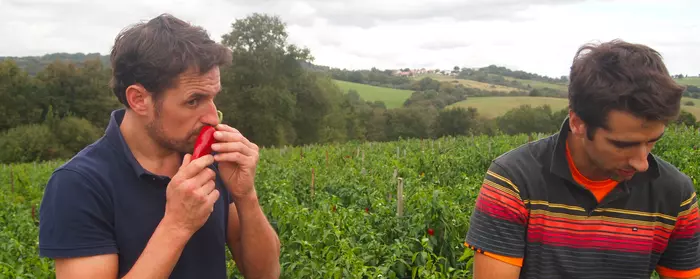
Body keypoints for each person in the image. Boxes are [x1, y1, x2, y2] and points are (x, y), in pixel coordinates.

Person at [38, 14, 281, 279]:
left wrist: (246, 196)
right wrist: (177, 226)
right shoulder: (79, 184)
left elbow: (265, 274)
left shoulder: (211, 159)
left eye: (213, 98)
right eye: (193, 101)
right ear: (139, 99)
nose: (212, 117)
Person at [464, 39, 700, 279]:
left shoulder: (674, 192)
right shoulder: (514, 180)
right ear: (578, 123)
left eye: (652, 141)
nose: (641, 163)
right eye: (622, 144)